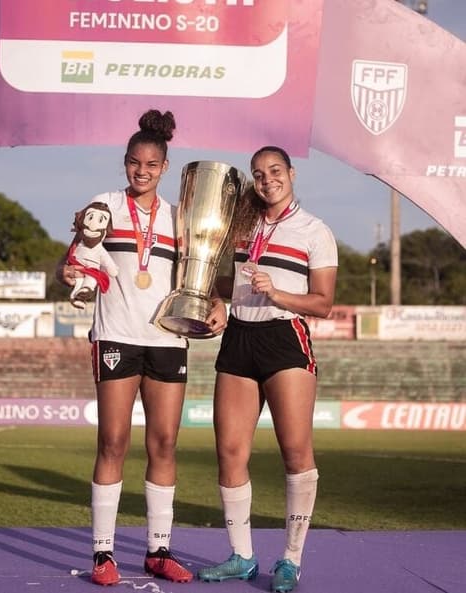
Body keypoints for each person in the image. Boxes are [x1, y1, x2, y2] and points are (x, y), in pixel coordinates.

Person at [57, 109, 227, 586]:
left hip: (167, 338)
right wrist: (68, 273)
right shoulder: (104, 206)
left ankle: (157, 550)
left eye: (151, 165)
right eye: (134, 162)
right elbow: (71, 261)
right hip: (115, 335)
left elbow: (203, 277)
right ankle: (103, 554)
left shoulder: (181, 218)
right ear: (125, 162)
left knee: (165, 443)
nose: (142, 171)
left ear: (165, 167)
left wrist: (216, 302)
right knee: (112, 441)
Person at [196, 146, 338, 593]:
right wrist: (217, 299)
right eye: (258, 173)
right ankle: (241, 556)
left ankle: (291, 560)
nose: (267, 179)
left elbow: (323, 303)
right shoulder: (242, 225)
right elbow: (228, 281)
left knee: (295, 452)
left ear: (291, 174)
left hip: (284, 338)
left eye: (275, 171)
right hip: (239, 336)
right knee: (230, 452)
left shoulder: (315, 230)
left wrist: (278, 294)